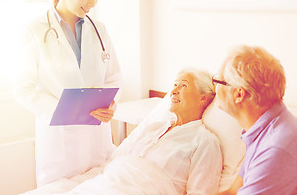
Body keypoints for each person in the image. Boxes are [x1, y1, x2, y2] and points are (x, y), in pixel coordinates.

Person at [21, 68, 222, 195]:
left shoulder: (204, 141)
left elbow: (200, 191)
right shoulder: (154, 126)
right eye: (174, 84)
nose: (174, 91)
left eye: (183, 86)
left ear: (203, 97)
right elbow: (118, 159)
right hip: (110, 181)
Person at [13, 0, 122, 187]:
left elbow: (114, 76)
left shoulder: (99, 29)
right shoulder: (33, 30)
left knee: (102, 186)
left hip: (96, 140)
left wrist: (111, 104)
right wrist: (64, 109)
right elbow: (23, 89)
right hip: (59, 144)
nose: (92, 2)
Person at [214, 45, 297, 195]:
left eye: (217, 81)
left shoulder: (276, 148)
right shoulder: (266, 127)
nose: (214, 86)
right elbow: (233, 191)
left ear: (239, 94)